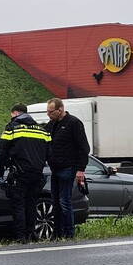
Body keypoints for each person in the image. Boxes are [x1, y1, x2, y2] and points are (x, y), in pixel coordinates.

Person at [0, 103, 50, 244]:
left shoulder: (12, 128)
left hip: (19, 173)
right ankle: (31, 234)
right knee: (31, 204)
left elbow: (2, 151)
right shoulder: (42, 130)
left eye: (12, 115)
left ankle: (21, 237)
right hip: (37, 174)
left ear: (16, 113)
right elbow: (49, 152)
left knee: (19, 204)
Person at [45, 97, 90, 239]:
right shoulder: (51, 124)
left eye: (51, 112)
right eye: (47, 112)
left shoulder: (74, 123)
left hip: (68, 168)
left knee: (65, 201)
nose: (49, 115)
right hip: (55, 169)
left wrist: (80, 169)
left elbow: (84, 148)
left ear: (60, 109)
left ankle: (69, 233)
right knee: (55, 202)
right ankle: (57, 233)